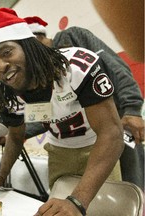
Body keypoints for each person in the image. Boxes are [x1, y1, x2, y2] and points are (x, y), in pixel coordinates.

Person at [0, 8, 124, 216]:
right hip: (59, 151)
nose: (1, 66)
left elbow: (111, 134)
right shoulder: (9, 96)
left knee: (105, 211)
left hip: (98, 147)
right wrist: (1, 176)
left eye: (6, 52)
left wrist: (77, 200)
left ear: (29, 46)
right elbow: (16, 136)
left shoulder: (76, 66)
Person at [24, 16, 145, 190]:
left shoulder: (73, 37)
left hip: (117, 119)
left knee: (131, 184)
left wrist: (132, 109)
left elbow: (116, 67)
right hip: (86, 139)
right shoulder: (42, 71)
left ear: (38, 40)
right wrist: (19, 132)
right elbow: (48, 112)